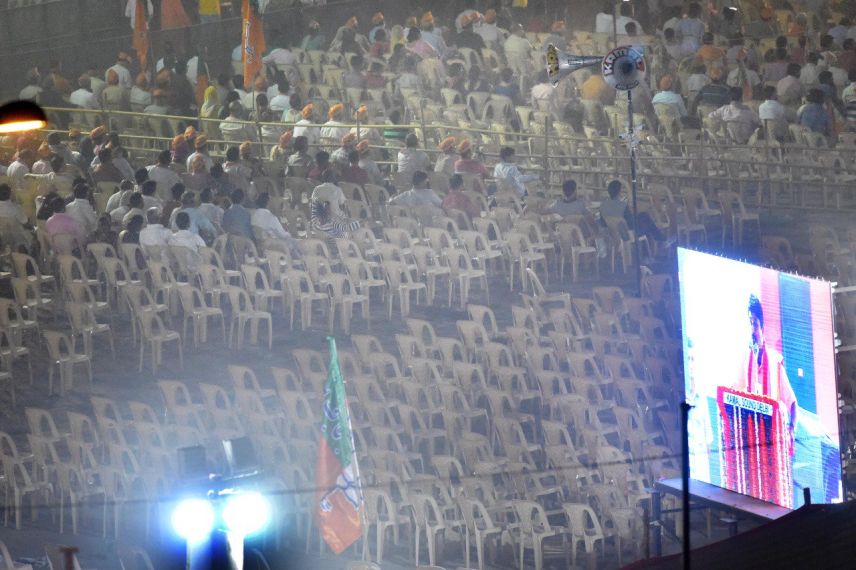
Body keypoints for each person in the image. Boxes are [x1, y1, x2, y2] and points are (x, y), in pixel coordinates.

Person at [732, 294, 797, 448]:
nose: (751, 329)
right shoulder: (745, 360)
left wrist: (792, 429)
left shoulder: (775, 361)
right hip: (752, 441)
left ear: (762, 327)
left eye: (754, 323)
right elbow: (735, 393)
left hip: (773, 441)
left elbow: (792, 402)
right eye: (749, 323)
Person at [600, 179, 666, 243]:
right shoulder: (622, 206)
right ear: (619, 192)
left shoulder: (603, 206)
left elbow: (602, 223)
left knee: (643, 216)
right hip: (628, 234)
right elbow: (631, 224)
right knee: (645, 218)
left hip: (614, 234)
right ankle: (660, 238)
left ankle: (658, 238)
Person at [0, 183, 32, 251]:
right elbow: (25, 222)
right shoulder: (16, 208)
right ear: (10, 194)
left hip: (2, 240)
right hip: (16, 240)